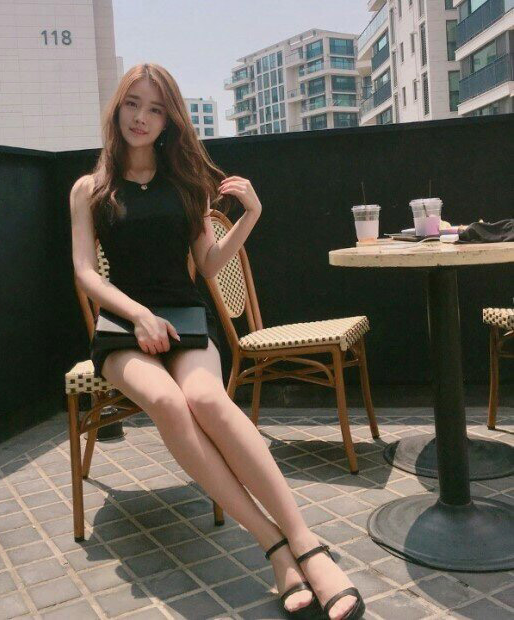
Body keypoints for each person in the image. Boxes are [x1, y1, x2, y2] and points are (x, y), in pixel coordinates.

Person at [69, 62, 364, 619]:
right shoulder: (90, 189)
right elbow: (86, 273)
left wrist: (250, 214)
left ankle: (306, 544)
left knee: (206, 397)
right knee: (165, 401)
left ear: (170, 120)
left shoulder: (186, 184)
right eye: (133, 103)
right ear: (117, 108)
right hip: (122, 329)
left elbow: (208, 264)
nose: (141, 117)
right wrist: (138, 316)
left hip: (186, 316)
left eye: (155, 109)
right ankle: (273, 546)